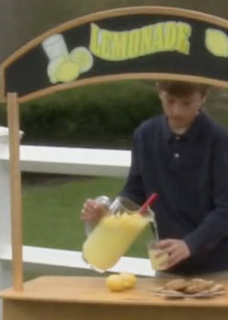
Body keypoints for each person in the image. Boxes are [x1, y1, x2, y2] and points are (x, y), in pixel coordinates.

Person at [81, 80, 228, 276]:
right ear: (160, 93)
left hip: (217, 268)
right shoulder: (145, 135)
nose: (176, 111)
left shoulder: (219, 140)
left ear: (203, 98)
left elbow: (225, 208)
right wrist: (108, 214)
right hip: (166, 264)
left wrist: (190, 244)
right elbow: (135, 192)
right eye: (170, 101)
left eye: (187, 103)